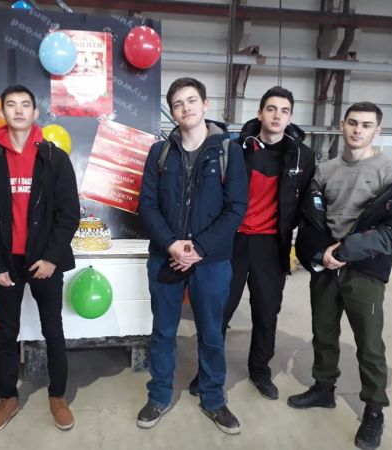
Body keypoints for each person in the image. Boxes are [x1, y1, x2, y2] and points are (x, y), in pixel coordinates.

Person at [288, 102, 392, 450]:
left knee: (369, 342)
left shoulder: (391, 170)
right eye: (353, 123)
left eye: (366, 125)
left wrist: (346, 251)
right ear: (342, 125)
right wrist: (321, 253)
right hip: (326, 265)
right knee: (323, 332)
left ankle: (374, 408)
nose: (358, 130)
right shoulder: (326, 170)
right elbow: (311, 217)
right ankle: (324, 388)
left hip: (365, 268)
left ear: (377, 131)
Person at [188, 86, 315, 400]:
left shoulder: (302, 156)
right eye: (271, 109)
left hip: (271, 245)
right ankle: (207, 372)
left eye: (284, 111)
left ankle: (260, 371)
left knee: (266, 312)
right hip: (232, 241)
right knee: (219, 311)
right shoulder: (236, 149)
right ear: (260, 113)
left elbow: (306, 203)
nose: (277, 116)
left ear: (290, 117)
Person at [137, 77, 248, 435]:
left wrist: (199, 248)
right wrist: (171, 244)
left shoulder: (229, 151)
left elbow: (236, 209)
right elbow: (147, 205)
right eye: (178, 103)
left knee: (211, 333)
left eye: (191, 100)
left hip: (212, 261)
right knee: (163, 331)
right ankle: (158, 396)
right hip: (165, 255)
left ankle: (214, 400)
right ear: (172, 112)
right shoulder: (160, 152)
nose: (185, 108)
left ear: (205, 104)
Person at [0, 85, 80, 433]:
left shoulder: (54, 158)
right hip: (7, 263)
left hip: (44, 261)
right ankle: (8, 397)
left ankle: (58, 396)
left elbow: (68, 214)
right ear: (3, 112)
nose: (18, 110)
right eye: (11, 104)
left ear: (35, 113)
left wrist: (51, 258)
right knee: (6, 333)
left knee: (53, 330)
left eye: (25, 104)